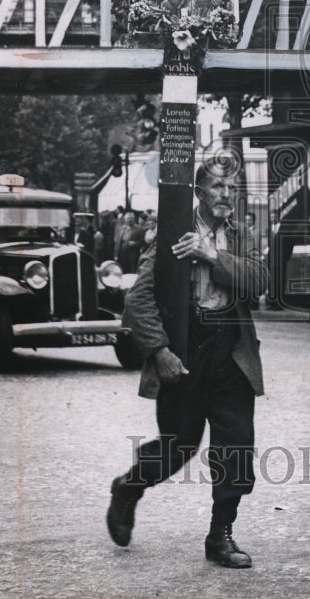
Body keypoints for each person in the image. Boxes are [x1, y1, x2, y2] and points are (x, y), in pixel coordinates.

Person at [106, 160, 268, 568]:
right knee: (179, 446)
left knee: (236, 449)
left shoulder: (239, 235)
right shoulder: (171, 232)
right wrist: (160, 351)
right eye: (217, 187)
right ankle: (129, 487)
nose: (226, 196)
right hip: (186, 351)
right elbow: (138, 300)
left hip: (231, 352)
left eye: (232, 188)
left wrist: (213, 256)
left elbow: (261, 281)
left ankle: (220, 537)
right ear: (199, 192)